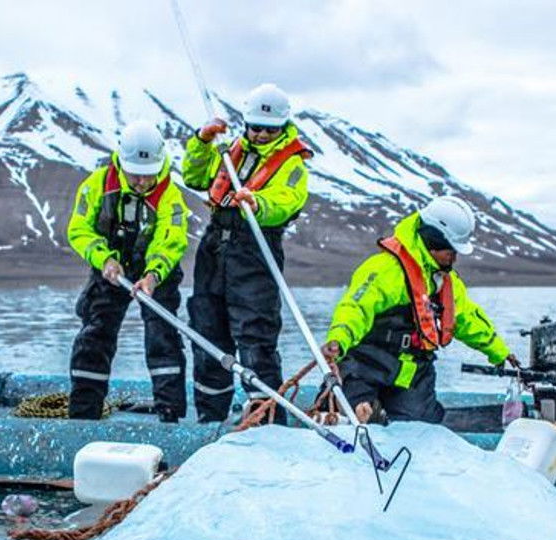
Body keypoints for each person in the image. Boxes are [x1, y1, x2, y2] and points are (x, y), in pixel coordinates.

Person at [321, 196, 521, 424]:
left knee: (424, 426)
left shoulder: (447, 281)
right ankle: (359, 409)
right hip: (366, 366)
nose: (454, 256)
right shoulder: (386, 270)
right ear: (434, 239)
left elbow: (466, 318)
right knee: (353, 413)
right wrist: (338, 340)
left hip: (412, 375)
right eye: (451, 249)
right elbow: (355, 308)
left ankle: (386, 413)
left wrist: (499, 351)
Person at [181, 83, 312, 422]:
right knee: (207, 331)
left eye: (270, 129)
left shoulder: (292, 164)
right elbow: (194, 175)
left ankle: (266, 419)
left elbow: (288, 199)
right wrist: (202, 142)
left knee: (255, 335)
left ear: (283, 127)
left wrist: (259, 203)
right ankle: (210, 416)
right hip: (215, 247)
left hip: (255, 250)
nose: (262, 135)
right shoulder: (229, 151)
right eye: (256, 127)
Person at [67, 120, 191, 422]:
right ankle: (83, 415)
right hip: (110, 269)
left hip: (155, 274)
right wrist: (104, 260)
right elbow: (79, 230)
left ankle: (170, 415)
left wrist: (154, 274)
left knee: (163, 335)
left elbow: (171, 240)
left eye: (148, 175)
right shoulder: (96, 185)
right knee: (95, 333)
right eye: (135, 174)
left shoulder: (170, 196)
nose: (142, 181)